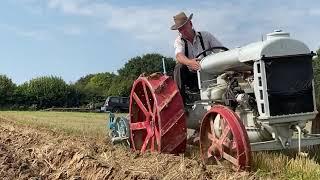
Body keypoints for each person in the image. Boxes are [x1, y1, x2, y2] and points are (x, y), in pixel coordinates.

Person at [171, 12, 224, 104]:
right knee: (179, 67)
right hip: (191, 76)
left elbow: (221, 51)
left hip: (209, 72)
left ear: (190, 24)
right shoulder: (179, 41)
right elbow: (179, 55)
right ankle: (181, 103)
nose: (182, 31)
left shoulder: (206, 36)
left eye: (184, 27)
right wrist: (189, 62)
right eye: (180, 29)